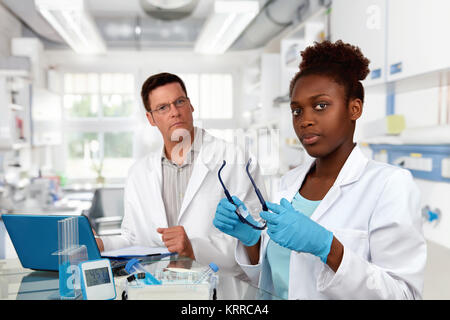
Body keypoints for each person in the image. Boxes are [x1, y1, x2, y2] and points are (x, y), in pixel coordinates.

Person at [213, 40, 427, 299]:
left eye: (321, 105)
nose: (305, 121)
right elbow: (278, 279)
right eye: (296, 111)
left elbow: (403, 295)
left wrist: (328, 248)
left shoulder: (389, 185)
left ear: (354, 108)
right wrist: (252, 242)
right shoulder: (289, 183)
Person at [95, 72, 267, 275]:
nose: (174, 112)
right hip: (158, 287)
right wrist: (102, 244)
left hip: (220, 290)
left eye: (179, 102)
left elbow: (258, 239)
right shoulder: (139, 173)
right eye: (163, 107)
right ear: (151, 119)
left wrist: (194, 249)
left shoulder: (234, 158)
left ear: (191, 106)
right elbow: (133, 239)